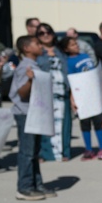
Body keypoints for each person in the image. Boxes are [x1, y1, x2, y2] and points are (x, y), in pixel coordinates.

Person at [9, 35, 54, 200]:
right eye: (36, 43)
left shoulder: (34, 65)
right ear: (26, 48)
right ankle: (24, 187)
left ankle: (37, 184)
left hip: (34, 113)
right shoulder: (25, 67)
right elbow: (22, 93)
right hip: (25, 113)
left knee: (35, 151)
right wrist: (29, 80)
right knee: (27, 152)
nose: (40, 45)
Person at [60, 35, 102, 159]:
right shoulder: (68, 62)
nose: (77, 46)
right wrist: (72, 99)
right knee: (85, 123)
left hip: (93, 93)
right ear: (66, 49)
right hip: (81, 96)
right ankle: (89, 149)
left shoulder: (85, 56)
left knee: (98, 122)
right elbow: (72, 82)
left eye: (76, 43)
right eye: (73, 45)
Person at [35, 23, 71, 162]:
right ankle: (45, 153)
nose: (45, 35)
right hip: (45, 92)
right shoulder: (37, 51)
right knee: (45, 124)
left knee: (64, 123)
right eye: (41, 33)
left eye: (48, 32)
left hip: (63, 91)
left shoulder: (61, 50)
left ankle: (64, 152)